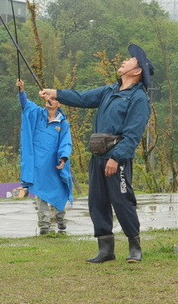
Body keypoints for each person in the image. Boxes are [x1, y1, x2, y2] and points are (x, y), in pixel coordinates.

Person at [40, 43, 154, 264]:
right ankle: (106, 249)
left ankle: (135, 247)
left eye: (130, 60)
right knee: (97, 202)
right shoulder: (109, 91)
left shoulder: (139, 99)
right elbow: (82, 98)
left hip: (117, 159)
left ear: (137, 71)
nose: (124, 60)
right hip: (98, 155)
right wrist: (56, 94)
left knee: (122, 202)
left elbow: (132, 135)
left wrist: (116, 158)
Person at [18, 78, 74, 235]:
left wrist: (64, 158)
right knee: (41, 194)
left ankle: (60, 220)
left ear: (59, 104)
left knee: (59, 191)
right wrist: (22, 91)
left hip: (55, 165)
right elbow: (26, 105)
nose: (49, 101)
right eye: (48, 98)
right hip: (38, 165)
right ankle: (44, 226)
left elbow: (66, 143)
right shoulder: (37, 114)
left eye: (54, 99)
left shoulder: (63, 124)